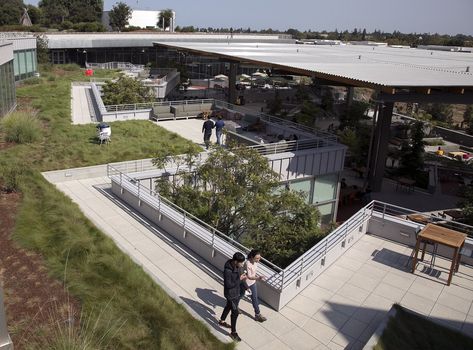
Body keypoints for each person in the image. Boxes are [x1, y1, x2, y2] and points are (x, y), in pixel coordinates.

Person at [219, 252, 247, 342]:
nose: (243, 264)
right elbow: (228, 285)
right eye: (241, 262)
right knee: (235, 313)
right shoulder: (227, 270)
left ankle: (222, 321)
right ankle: (233, 332)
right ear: (235, 261)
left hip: (236, 293)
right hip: (230, 294)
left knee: (228, 306)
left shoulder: (238, 267)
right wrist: (239, 280)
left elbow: (240, 278)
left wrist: (246, 287)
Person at [243, 249, 267, 322]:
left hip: (252, 283)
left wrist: (257, 277)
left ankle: (257, 314)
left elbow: (253, 273)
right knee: (239, 296)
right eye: (257, 258)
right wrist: (258, 278)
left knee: (254, 298)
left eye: (259, 258)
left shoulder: (255, 262)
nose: (258, 260)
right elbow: (249, 276)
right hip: (245, 284)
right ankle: (234, 307)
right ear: (252, 257)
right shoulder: (247, 263)